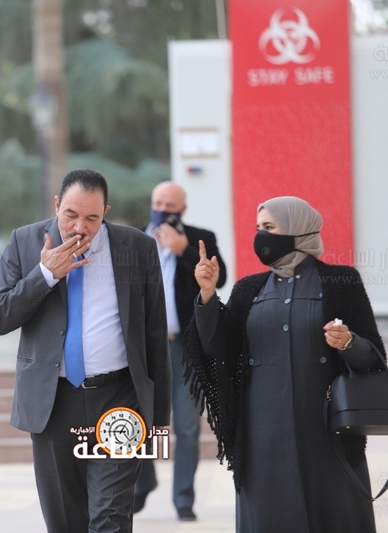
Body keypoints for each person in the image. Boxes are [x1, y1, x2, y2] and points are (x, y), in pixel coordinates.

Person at [0, 169, 171, 533]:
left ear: (106, 213)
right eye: (70, 214)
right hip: (53, 402)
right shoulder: (24, 242)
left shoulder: (137, 248)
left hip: (120, 399)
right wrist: (45, 274)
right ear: (57, 204)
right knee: (65, 521)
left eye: (92, 218)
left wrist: (158, 419)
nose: (79, 227)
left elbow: (154, 333)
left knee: (110, 518)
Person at [184, 196, 382, 532]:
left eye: (269, 227)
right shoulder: (248, 289)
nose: (261, 235)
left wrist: (348, 342)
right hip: (261, 437)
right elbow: (217, 349)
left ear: (297, 228)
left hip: (327, 434)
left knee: (334, 515)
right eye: (258, 227)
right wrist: (207, 295)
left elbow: (374, 357)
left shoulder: (342, 282)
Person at [133, 181, 227, 521]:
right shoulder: (134, 240)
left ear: (182, 210)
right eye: (158, 202)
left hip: (185, 348)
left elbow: (220, 279)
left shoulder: (201, 238)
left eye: (170, 205)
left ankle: (183, 500)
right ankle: (143, 482)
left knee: (186, 426)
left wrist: (184, 250)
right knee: (139, 421)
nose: (162, 209)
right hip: (146, 349)